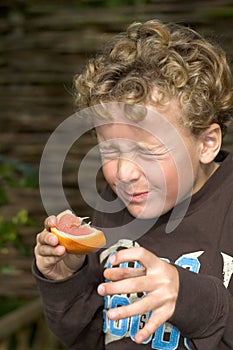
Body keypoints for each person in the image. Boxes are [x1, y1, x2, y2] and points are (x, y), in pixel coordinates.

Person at [33, 19, 233, 350]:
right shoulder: (112, 209)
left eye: (146, 151)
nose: (124, 173)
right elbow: (88, 338)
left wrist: (188, 297)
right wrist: (66, 279)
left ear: (207, 143)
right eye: (110, 151)